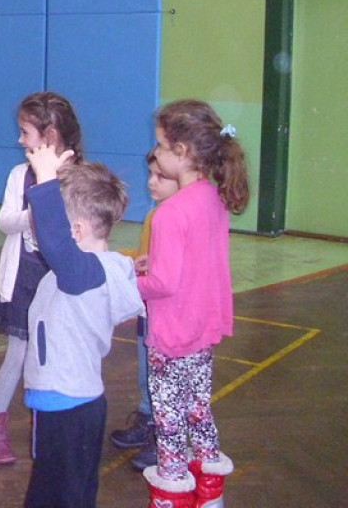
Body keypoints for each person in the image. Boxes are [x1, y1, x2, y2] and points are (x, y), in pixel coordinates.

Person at [139, 100, 247, 507]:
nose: (158, 153)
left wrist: (130, 281)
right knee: (199, 411)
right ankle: (210, 498)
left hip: (172, 334)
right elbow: (199, 260)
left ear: (182, 152)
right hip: (203, 328)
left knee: (168, 423)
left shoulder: (170, 213)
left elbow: (164, 283)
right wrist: (154, 264)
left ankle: (171, 497)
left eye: (161, 145)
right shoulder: (213, 198)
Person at [21, 146, 143, 508]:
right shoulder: (85, 271)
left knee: (65, 496)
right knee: (54, 490)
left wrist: (44, 181)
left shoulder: (84, 274)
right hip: (65, 402)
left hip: (68, 405)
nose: (39, 227)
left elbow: (56, 244)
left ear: (76, 230)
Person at [0, 91, 83, 465]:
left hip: (60, 280)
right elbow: (5, 221)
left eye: (25, 132)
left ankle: (53, 427)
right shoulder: (18, 175)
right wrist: (36, 211)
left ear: (51, 133)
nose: (20, 140)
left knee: (57, 354)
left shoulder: (78, 176)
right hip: (24, 276)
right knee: (18, 354)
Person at [109, 149, 180, 472]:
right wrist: (117, 257)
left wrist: (130, 283)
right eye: (150, 174)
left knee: (164, 378)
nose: (151, 182)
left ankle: (164, 435)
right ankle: (148, 416)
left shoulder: (175, 218)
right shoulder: (155, 215)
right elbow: (146, 255)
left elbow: (170, 274)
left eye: (160, 176)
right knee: (145, 372)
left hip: (167, 314)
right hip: (147, 311)